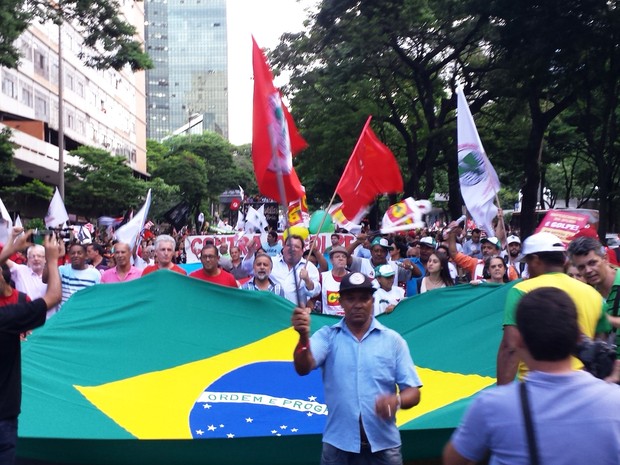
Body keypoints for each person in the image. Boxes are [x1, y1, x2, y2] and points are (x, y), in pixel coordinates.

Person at [444, 287, 620, 465]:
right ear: (577, 337)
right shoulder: (614, 401)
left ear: (519, 340)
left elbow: (453, 460)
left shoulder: (491, 406)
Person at [291, 272, 422, 464]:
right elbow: (302, 367)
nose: (358, 304)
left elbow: (413, 392)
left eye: (364, 298)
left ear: (372, 300)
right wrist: (303, 337)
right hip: (338, 446)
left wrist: (397, 401)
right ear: (341, 302)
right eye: (351, 298)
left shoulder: (393, 341)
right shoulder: (328, 337)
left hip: (383, 446)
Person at [496, 232, 611, 385]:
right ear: (563, 260)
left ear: (535, 260)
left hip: (535, 388)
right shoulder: (594, 295)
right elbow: (599, 343)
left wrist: (503, 394)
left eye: (528, 262)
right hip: (583, 388)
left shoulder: (521, 291)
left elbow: (510, 347)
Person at [0, 231, 62, 465]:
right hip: (3, 416)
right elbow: (54, 296)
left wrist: (9, 250)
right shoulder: (7, 318)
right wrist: (53, 259)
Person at [568, 236, 620, 358]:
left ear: (605, 259)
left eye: (592, 263)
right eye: (581, 267)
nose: (588, 270)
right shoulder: (589, 292)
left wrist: (606, 319)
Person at [45, 242, 101, 310]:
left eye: (79, 253)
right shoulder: (62, 270)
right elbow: (45, 279)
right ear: (69, 256)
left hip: (84, 314)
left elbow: (97, 296)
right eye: (72, 253)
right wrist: (52, 257)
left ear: (86, 256)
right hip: (64, 315)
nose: (76, 255)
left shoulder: (95, 274)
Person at [271, 235, 321, 305]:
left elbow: (315, 292)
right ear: (284, 247)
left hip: (295, 313)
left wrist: (307, 280)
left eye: (297, 247)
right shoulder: (271, 262)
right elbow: (253, 272)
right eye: (289, 245)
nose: (292, 249)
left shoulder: (309, 267)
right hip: (272, 309)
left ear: (302, 251)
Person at [4, 228, 47, 302]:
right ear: (27, 258)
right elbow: (2, 258)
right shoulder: (19, 270)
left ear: (45, 259)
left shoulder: (53, 275)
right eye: (32, 256)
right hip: (24, 312)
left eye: (39, 256)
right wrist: (12, 237)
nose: (36, 259)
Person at [319, 246, 349, 316]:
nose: (341, 258)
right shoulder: (322, 277)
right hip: (328, 322)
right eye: (337, 257)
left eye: (344, 257)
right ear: (331, 260)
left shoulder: (352, 277)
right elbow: (314, 298)